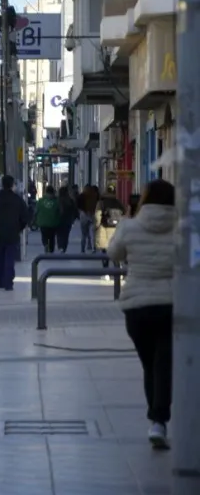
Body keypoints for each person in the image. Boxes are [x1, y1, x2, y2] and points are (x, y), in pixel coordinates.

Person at [106, 179, 174, 449]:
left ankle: (156, 419)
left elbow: (114, 253)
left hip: (137, 307)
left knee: (150, 365)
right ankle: (159, 420)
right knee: (165, 363)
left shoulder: (130, 225)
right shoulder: (185, 228)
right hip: (172, 305)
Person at [0, 174, 28, 290]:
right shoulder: (17, 200)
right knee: (10, 257)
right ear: (12, 185)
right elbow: (25, 217)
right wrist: (18, 228)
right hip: (13, 233)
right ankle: (8, 281)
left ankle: (0, 281)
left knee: (0, 257)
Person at [95, 184, 127, 267]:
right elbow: (124, 213)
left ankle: (106, 271)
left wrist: (96, 226)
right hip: (116, 228)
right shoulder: (118, 202)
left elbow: (97, 216)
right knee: (116, 249)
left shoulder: (101, 203)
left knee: (105, 250)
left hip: (104, 228)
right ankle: (117, 268)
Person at [34, 185, 62, 253]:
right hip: (53, 222)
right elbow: (60, 212)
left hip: (42, 222)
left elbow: (36, 211)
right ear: (53, 192)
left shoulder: (40, 201)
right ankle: (51, 250)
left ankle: (45, 244)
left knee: (44, 235)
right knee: (52, 237)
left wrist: (34, 219)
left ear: (46, 192)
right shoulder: (56, 202)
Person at [76, 184, 98, 252]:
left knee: (84, 234)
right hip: (93, 214)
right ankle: (94, 248)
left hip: (84, 215)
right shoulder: (95, 195)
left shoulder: (81, 196)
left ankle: (82, 249)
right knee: (95, 233)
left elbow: (78, 206)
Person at [56, 186, 78, 253]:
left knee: (59, 234)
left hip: (58, 220)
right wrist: (73, 219)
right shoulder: (70, 200)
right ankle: (64, 248)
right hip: (68, 221)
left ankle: (60, 246)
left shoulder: (57, 200)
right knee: (66, 235)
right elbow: (75, 210)